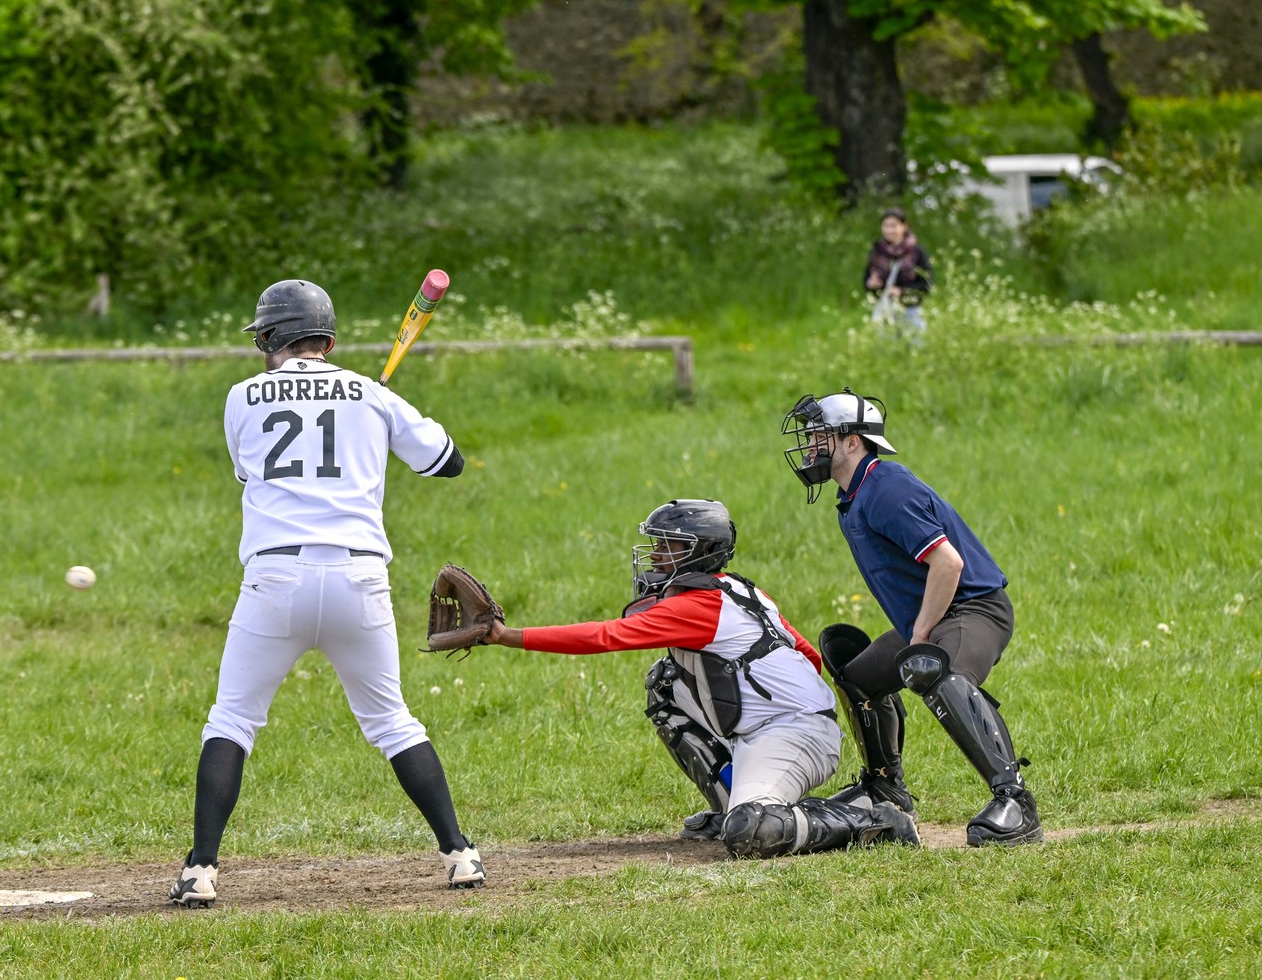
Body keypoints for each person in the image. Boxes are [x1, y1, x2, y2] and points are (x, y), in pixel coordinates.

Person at [170, 279, 484, 908]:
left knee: (232, 719)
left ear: (269, 339)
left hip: (274, 579)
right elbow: (448, 461)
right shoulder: (370, 393)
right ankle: (460, 854)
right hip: (358, 580)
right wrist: (380, 411)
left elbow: (249, 467)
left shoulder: (240, 397)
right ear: (330, 340)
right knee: (392, 722)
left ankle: (200, 871)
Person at [479, 499, 918, 858]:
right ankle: (740, 801)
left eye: (668, 547)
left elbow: (606, 636)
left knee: (752, 832)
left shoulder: (695, 606)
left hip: (793, 733)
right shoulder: (740, 589)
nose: (655, 557)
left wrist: (506, 635)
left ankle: (876, 821)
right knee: (667, 682)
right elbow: (806, 655)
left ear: (698, 553)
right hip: (781, 726)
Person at [780, 390, 1043, 846]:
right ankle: (884, 787)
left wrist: (919, 635)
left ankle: (1015, 802)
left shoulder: (886, 487)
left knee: (938, 671)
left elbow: (949, 564)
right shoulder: (855, 494)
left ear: (851, 442)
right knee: (856, 676)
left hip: (974, 609)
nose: (809, 446)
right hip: (939, 615)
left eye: (819, 435)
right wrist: (917, 634)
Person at [864, 208, 932, 333]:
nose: (889, 230)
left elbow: (927, 284)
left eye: (893, 226)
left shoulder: (917, 252)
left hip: (910, 309)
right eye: (885, 226)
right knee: (885, 349)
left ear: (904, 226)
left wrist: (901, 291)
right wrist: (871, 284)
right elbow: (866, 280)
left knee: (914, 347)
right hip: (885, 308)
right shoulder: (878, 251)